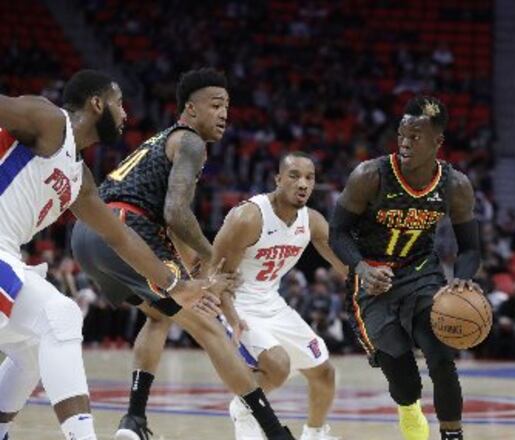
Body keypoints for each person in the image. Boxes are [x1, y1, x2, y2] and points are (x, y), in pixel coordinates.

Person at [0, 70, 226, 440]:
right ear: (96, 103)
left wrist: (174, 285)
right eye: (120, 104)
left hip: (6, 254)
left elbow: (119, 236)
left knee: (32, 351)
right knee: (60, 316)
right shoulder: (48, 119)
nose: (126, 115)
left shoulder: (79, 178)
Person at [70, 69, 294, 440]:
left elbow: (176, 229)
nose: (225, 114)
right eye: (216, 105)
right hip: (125, 229)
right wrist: (215, 256)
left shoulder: (159, 142)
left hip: (87, 236)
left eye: (228, 107)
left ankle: (134, 420)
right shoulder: (190, 142)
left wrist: (205, 273)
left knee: (159, 316)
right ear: (190, 109)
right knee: (209, 329)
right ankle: (274, 432)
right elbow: (177, 213)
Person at [329, 96, 482, 440]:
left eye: (415, 136)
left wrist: (462, 279)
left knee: (441, 357)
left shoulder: (455, 186)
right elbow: (337, 233)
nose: (405, 143)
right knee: (406, 381)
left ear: (437, 142)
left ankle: (452, 435)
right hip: (370, 283)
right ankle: (408, 407)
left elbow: (470, 248)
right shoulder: (370, 175)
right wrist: (362, 267)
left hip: (421, 274)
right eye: (402, 135)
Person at [210, 152, 347, 440]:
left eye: (310, 178)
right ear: (278, 179)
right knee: (278, 366)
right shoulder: (249, 217)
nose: (303, 184)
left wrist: (373, 283)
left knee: (324, 374)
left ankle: (315, 434)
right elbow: (216, 275)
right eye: (294, 175)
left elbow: (346, 266)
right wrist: (232, 319)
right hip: (235, 303)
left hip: (272, 302)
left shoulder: (312, 221)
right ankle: (243, 405)